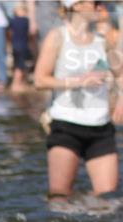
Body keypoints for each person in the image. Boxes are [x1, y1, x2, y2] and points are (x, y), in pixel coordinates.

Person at [34, 0, 122, 197]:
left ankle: (86, 215)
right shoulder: (58, 37)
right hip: (66, 125)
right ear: (78, 6)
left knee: (107, 199)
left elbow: (120, 74)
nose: (101, 8)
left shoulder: (103, 40)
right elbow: (40, 80)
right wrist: (79, 81)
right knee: (59, 196)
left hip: (101, 128)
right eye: (95, 3)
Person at [10, 2, 32, 92]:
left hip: (15, 46)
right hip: (22, 46)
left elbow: (9, 33)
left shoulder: (13, 21)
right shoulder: (25, 20)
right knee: (20, 66)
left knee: (17, 65)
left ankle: (21, 83)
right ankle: (16, 84)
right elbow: (30, 33)